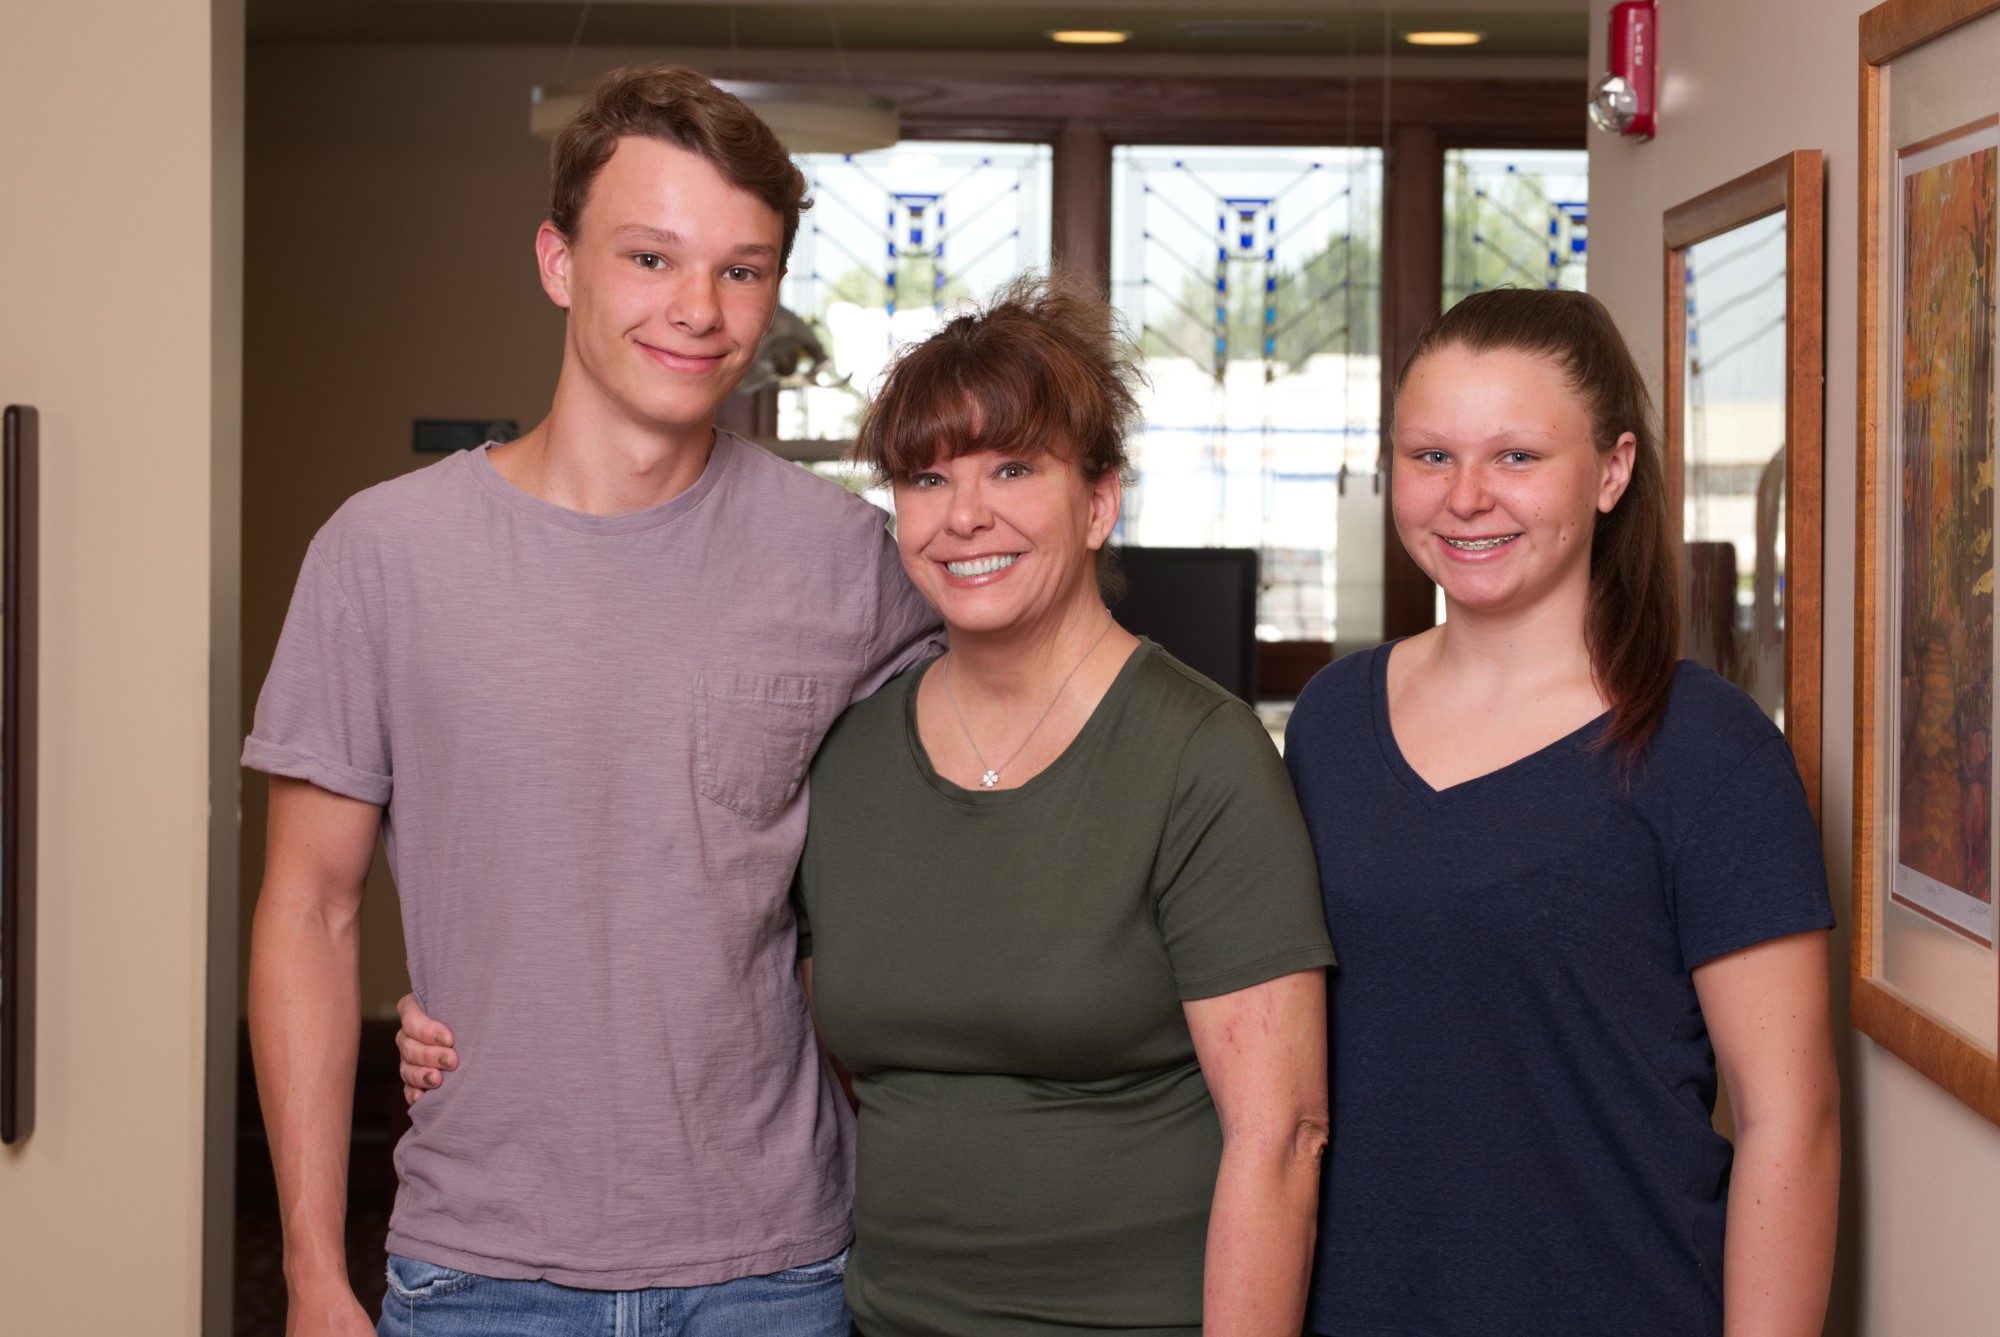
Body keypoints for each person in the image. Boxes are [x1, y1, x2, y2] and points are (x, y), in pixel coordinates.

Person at [400, 276, 1339, 1335]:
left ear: (1097, 500)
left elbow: (1283, 1134)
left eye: (1014, 466)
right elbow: (722, 966)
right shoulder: (849, 757)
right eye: (927, 476)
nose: (964, 513)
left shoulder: (1200, 757)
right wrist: (464, 1019)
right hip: (877, 1316)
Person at [244, 65, 938, 1337]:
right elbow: (310, 906)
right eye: (651, 258)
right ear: (558, 262)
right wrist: (308, 1269)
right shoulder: (382, 552)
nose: (699, 310)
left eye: (742, 269)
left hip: (775, 1267)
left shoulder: (848, 558)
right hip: (478, 1265)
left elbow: (992, 788)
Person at [1284, 287, 1840, 1336]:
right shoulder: (1327, 722)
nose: (1464, 497)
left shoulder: (1706, 749)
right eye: (1429, 455)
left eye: (1516, 457)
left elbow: (1788, 1121)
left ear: (1611, 470)